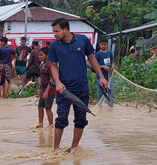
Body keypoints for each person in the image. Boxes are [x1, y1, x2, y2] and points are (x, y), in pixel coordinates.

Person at [48, 18, 109, 152]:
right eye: (53, 31)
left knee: (81, 120)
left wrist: (102, 77)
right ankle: (55, 150)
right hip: (64, 89)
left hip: (82, 88)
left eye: (56, 31)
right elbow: (53, 65)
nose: (54, 34)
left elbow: (92, 59)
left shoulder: (82, 40)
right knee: (61, 119)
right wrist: (58, 82)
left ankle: (74, 149)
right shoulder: (54, 46)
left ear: (66, 29)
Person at [35, 47, 56, 128]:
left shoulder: (50, 65)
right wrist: (39, 88)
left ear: (47, 55)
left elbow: (51, 80)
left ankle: (51, 126)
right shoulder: (41, 65)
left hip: (50, 90)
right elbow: (41, 78)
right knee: (40, 107)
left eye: (41, 55)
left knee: (48, 108)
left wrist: (46, 92)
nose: (39, 57)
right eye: (39, 55)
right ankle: (40, 124)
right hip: (43, 89)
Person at [94, 39, 114, 107]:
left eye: (104, 44)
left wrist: (112, 67)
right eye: (101, 44)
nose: (103, 46)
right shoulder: (97, 55)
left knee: (110, 90)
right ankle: (99, 106)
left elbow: (111, 63)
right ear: (99, 45)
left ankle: (110, 105)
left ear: (107, 44)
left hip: (109, 76)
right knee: (101, 92)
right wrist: (103, 66)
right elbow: (94, 65)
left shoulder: (110, 53)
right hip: (100, 76)